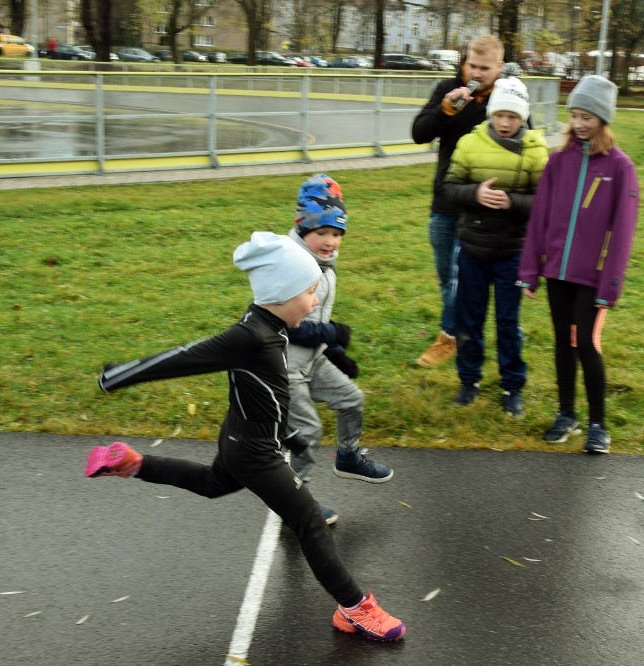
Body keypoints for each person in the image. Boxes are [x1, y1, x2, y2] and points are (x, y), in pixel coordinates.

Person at [84, 231, 405, 642]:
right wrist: (116, 375)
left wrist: (289, 435)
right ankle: (355, 609)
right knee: (309, 522)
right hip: (254, 452)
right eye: (309, 293)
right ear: (284, 294)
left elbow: (266, 393)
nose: (313, 302)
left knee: (211, 483)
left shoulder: (271, 327)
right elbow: (185, 356)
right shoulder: (250, 336)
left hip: (242, 439)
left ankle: (133, 463)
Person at [518, 75, 639, 454]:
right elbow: (539, 219)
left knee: (586, 343)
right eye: (574, 115)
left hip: (593, 277)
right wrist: (529, 272)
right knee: (561, 343)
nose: (580, 123)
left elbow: (622, 232)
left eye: (587, 115)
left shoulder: (620, 168)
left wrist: (611, 286)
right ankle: (566, 414)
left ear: (603, 119)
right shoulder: (558, 162)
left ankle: (599, 424)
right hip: (557, 271)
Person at [284, 174, 393, 525]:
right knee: (307, 433)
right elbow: (289, 325)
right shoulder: (292, 266)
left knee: (352, 399)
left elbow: (315, 319)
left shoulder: (325, 268)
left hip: (311, 361)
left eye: (336, 233)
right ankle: (295, 500)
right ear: (303, 228)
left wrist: (331, 350)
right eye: (322, 233)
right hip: (281, 366)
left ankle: (348, 457)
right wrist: (333, 333)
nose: (330, 241)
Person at [441, 76, 549, 418]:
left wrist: (512, 202)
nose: (505, 122)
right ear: (490, 113)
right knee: (468, 320)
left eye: (513, 116)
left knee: (508, 321)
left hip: (513, 251)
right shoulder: (469, 144)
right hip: (472, 247)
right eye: (500, 114)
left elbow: (545, 201)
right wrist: (475, 194)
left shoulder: (536, 149)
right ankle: (468, 381)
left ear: (523, 117)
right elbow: (448, 188)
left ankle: (512, 386)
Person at [411, 34, 505, 368]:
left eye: (484, 68)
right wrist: (445, 110)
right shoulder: (449, 89)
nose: (475, 74)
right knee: (445, 277)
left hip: (481, 208)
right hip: (444, 203)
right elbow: (419, 133)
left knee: (460, 277)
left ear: (500, 67)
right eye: (471, 65)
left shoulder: (507, 97)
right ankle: (464, 331)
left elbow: (526, 140)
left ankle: (450, 337)